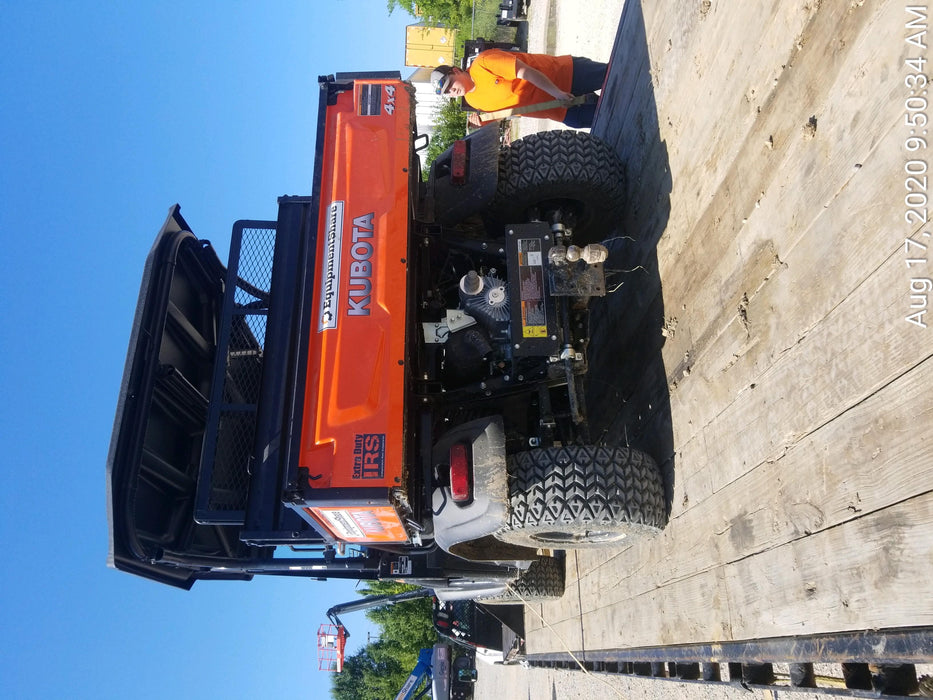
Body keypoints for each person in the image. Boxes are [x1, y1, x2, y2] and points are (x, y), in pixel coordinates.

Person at [431, 49, 607, 128]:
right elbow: (503, 115)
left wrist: (556, 93)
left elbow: (525, 72)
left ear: (455, 71)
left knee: (619, 76)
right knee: (612, 117)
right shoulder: (473, 100)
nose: (451, 91)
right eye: (447, 93)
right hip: (561, 111)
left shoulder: (483, 63)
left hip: (568, 74)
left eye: (450, 84)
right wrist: (480, 123)